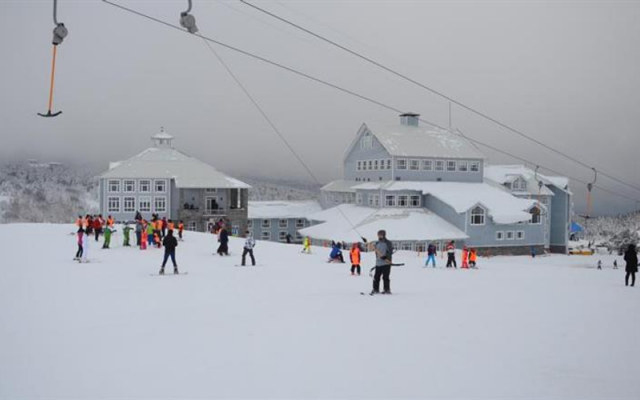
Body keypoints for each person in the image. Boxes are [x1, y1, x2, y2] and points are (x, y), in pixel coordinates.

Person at [371, 230, 393, 295]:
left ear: (384, 235)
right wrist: (378, 258)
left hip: (386, 263)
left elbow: (390, 252)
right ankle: (375, 289)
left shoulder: (388, 243)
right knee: (376, 277)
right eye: (378, 234)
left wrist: (386, 257)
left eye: (381, 234)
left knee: (385, 277)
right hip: (378, 263)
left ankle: (387, 290)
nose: (379, 236)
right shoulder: (377, 243)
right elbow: (376, 253)